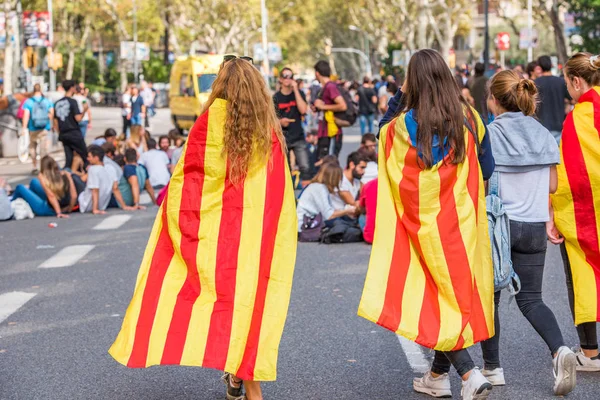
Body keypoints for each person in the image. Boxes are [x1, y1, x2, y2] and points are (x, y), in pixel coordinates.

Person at [109, 57, 298, 400]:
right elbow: (276, 189)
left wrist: (177, 225)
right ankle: (243, 379)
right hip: (257, 238)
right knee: (249, 305)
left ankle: (241, 379)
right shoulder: (267, 127)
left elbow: (187, 181)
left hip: (217, 239)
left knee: (224, 301)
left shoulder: (209, 122)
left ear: (221, 85)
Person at [359, 49, 496, 400]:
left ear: (413, 82)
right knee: (451, 296)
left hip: (421, 225)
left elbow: (381, 135)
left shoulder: (403, 124)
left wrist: (402, 95)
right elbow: (488, 168)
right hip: (461, 225)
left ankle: (468, 373)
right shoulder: (470, 118)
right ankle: (437, 376)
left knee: (433, 297)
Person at [484, 69, 576, 395]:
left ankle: (492, 369)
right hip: (536, 225)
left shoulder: (491, 134)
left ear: (494, 100)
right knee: (532, 300)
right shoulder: (542, 133)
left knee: (489, 299)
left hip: (501, 228)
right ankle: (560, 350)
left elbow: (482, 182)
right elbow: (552, 184)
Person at [549, 52, 600, 374]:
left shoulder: (579, 118)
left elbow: (568, 176)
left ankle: (590, 353)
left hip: (587, 213)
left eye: (568, 82)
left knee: (580, 278)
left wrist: (555, 213)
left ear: (577, 81)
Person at [273, 67, 310, 183]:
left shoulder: (299, 93)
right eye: (285, 76)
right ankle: (290, 197)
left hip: (298, 136)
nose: (287, 79)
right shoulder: (276, 97)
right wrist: (280, 122)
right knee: (286, 170)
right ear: (280, 79)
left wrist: (296, 90)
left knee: (305, 167)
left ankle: (306, 196)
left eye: (290, 76)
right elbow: (271, 120)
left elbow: (303, 110)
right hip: (283, 138)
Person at [297, 161, 357, 232]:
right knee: (342, 223)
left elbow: (327, 210)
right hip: (306, 224)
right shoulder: (320, 188)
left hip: (310, 221)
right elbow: (328, 215)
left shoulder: (319, 186)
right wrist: (347, 211)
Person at [12, 156, 77, 218]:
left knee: (19, 187)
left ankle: (10, 206)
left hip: (49, 209)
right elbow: (74, 196)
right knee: (33, 182)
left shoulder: (42, 176)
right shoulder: (65, 175)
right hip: (59, 205)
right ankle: (29, 202)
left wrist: (59, 213)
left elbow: (51, 195)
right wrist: (69, 209)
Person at [313, 60, 347, 159]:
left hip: (332, 132)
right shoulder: (325, 87)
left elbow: (342, 105)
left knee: (329, 164)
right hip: (326, 131)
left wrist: (322, 107)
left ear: (317, 73)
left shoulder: (330, 87)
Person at [535, 55, 572, 144]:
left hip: (540, 127)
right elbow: (571, 100)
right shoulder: (561, 82)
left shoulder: (535, 83)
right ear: (551, 65)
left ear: (539, 67)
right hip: (558, 125)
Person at [54, 80, 88, 170]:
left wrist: (59, 131)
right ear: (72, 88)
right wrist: (85, 110)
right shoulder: (73, 102)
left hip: (63, 133)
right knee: (85, 156)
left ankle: (68, 174)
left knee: (69, 158)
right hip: (74, 132)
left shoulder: (57, 103)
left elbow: (55, 121)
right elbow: (78, 118)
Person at [21, 83, 54, 174]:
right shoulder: (47, 101)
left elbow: (26, 116)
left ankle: (34, 166)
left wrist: (24, 128)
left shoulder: (29, 101)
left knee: (33, 147)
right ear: (41, 90)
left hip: (33, 128)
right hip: (44, 127)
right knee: (44, 148)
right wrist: (51, 125)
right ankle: (43, 168)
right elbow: (51, 114)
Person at [78, 145, 114, 215]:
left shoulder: (93, 169)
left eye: (89, 157)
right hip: (102, 205)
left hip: (85, 204)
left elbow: (95, 190)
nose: (88, 159)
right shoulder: (108, 169)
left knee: (72, 176)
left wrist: (95, 209)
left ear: (96, 158)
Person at [358, 177, 377, 244]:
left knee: (362, 217)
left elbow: (361, 209)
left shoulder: (368, 185)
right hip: (394, 236)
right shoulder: (398, 184)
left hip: (371, 237)